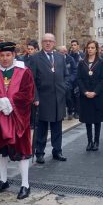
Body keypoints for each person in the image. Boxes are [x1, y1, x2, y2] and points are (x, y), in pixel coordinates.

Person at [0, 42, 35, 199]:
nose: (5, 59)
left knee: (22, 151)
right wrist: (0, 100)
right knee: (1, 151)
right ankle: (3, 180)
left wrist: (12, 102)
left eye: (8, 55)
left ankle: (25, 184)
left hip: (17, 117)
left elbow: (28, 93)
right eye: (1, 56)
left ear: (13, 55)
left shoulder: (24, 71)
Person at [31, 33, 68, 163]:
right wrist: (35, 97)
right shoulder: (35, 58)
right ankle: (39, 152)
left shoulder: (60, 57)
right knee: (41, 128)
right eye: (45, 41)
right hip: (43, 98)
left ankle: (57, 151)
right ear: (42, 43)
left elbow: (66, 75)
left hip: (58, 98)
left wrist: (64, 88)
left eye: (50, 41)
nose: (48, 43)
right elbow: (32, 81)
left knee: (57, 127)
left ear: (54, 43)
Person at [77, 41, 103, 151]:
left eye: (92, 48)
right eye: (88, 47)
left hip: (97, 95)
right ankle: (89, 141)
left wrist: (95, 92)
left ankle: (96, 141)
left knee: (97, 119)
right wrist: (85, 92)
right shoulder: (81, 63)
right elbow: (79, 79)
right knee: (88, 119)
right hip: (85, 95)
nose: (90, 49)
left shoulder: (101, 62)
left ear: (96, 49)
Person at [58, 45, 78, 121]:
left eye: (65, 51)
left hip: (68, 83)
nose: (64, 53)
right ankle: (61, 114)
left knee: (68, 98)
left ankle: (70, 112)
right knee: (60, 99)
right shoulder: (56, 59)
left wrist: (71, 79)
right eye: (62, 52)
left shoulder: (70, 59)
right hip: (59, 82)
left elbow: (74, 70)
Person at [68, 39, 82, 119]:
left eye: (75, 45)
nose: (73, 46)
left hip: (80, 79)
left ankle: (77, 111)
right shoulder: (70, 56)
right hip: (72, 79)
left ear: (78, 46)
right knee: (71, 96)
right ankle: (72, 110)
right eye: (72, 45)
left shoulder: (82, 55)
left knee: (78, 96)